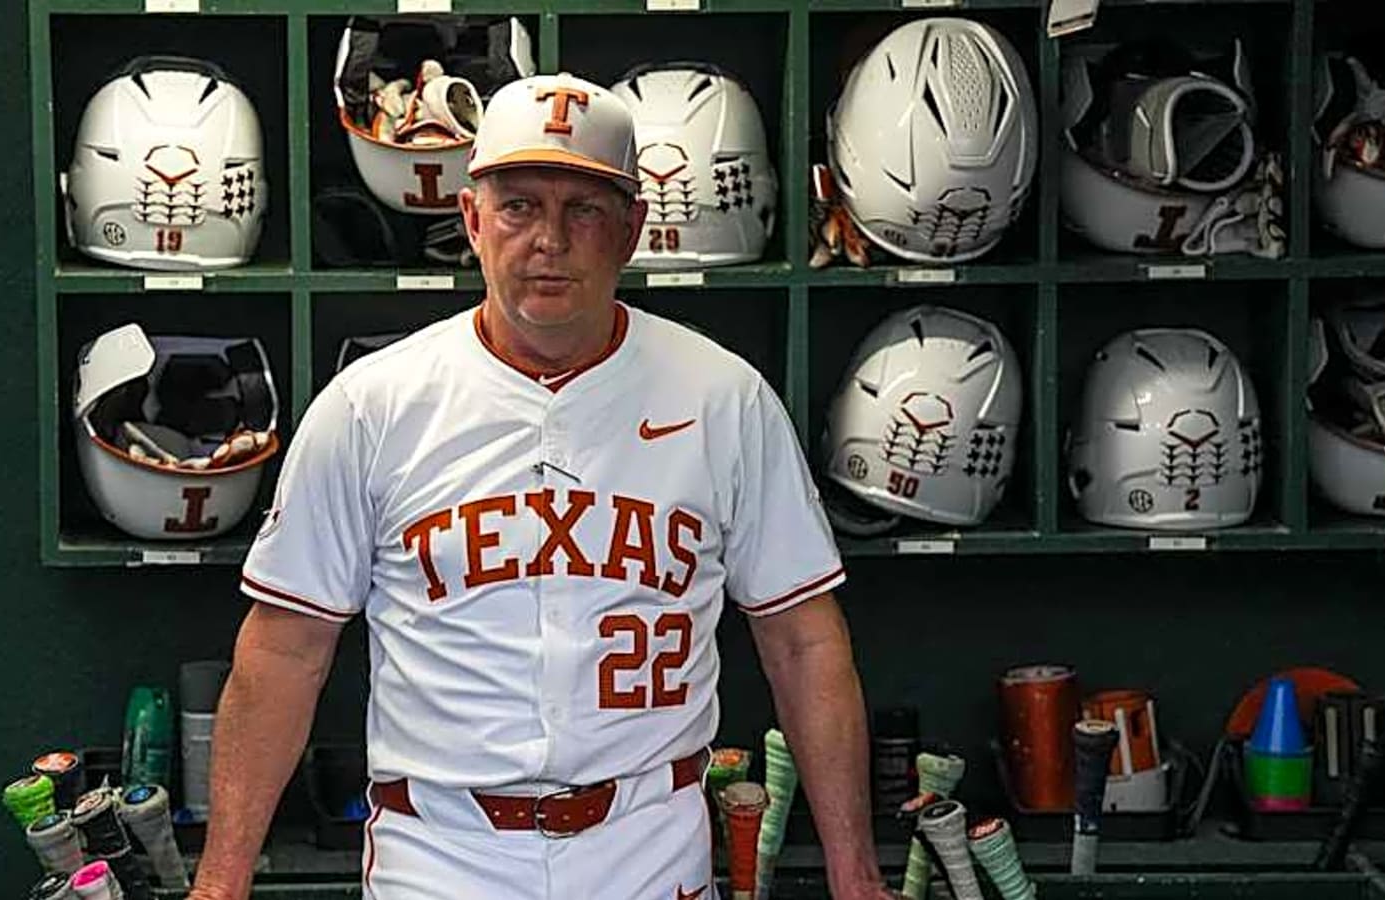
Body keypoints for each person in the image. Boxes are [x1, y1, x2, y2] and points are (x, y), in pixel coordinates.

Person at [187, 72, 897, 900]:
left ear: (630, 231)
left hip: (647, 841)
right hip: (441, 850)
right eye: (519, 204)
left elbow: (803, 642)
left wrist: (856, 874)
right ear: (471, 220)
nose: (549, 240)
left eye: (584, 209)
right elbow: (282, 651)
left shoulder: (723, 398)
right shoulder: (372, 405)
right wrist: (219, 884)